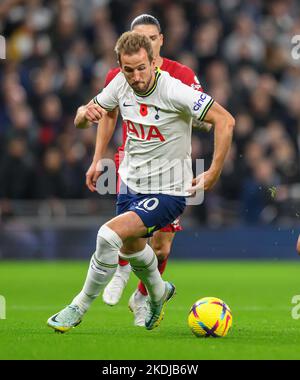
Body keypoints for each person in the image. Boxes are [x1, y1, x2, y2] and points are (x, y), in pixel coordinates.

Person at [47, 31, 234, 333]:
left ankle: (78, 307)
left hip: (169, 191)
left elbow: (225, 120)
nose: (136, 76)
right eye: (128, 69)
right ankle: (158, 292)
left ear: (153, 63)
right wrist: (84, 113)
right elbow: (85, 118)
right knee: (134, 251)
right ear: (120, 67)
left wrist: (213, 171)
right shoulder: (120, 84)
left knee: (108, 236)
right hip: (130, 184)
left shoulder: (175, 90)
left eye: (141, 68)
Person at [85, 14, 209, 326]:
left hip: (171, 168)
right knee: (130, 231)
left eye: (152, 38)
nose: (146, 44)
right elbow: (107, 115)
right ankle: (123, 268)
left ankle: (142, 294)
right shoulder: (120, 74)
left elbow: (205, 114)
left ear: (160, 40)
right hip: (133, 163)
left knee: (162, 247)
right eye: (140, 38)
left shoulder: (180, 75)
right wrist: (98, 157)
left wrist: (203, 120)